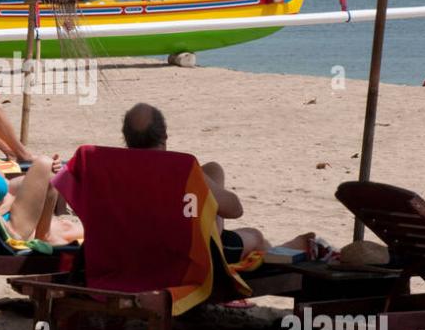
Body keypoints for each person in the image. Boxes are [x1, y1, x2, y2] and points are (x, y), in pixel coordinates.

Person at [121, 102, 316, 263]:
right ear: (164, 137)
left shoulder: (113, 169)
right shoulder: (180, 168)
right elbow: (235, 210)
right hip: (189, 257)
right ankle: (283, 250)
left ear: (126, 140)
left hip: (131, 249)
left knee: (213, 169)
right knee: (255, 236)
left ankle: (218, 227)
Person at [0, 82, 80, 245]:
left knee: (65, 225)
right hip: (6, 230)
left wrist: (37, 181)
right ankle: (45, 237)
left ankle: (51, 235)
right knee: (44, 164)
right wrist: (11, 202)